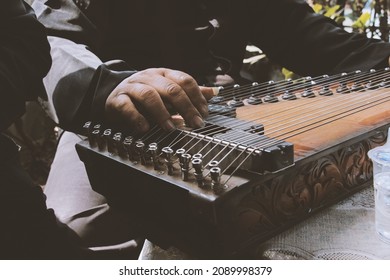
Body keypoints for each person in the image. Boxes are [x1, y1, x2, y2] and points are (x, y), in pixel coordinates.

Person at [29, 0, 390, 258]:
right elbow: (49, 41)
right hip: (116, 121)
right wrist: (106, 86)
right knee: (79, 229)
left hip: (234, 110)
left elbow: (304, 34)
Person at [0, 0, 95, 259]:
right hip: (100, 111)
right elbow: (53, 33)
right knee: (80, 226)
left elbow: (26, 37)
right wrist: (102, 87)